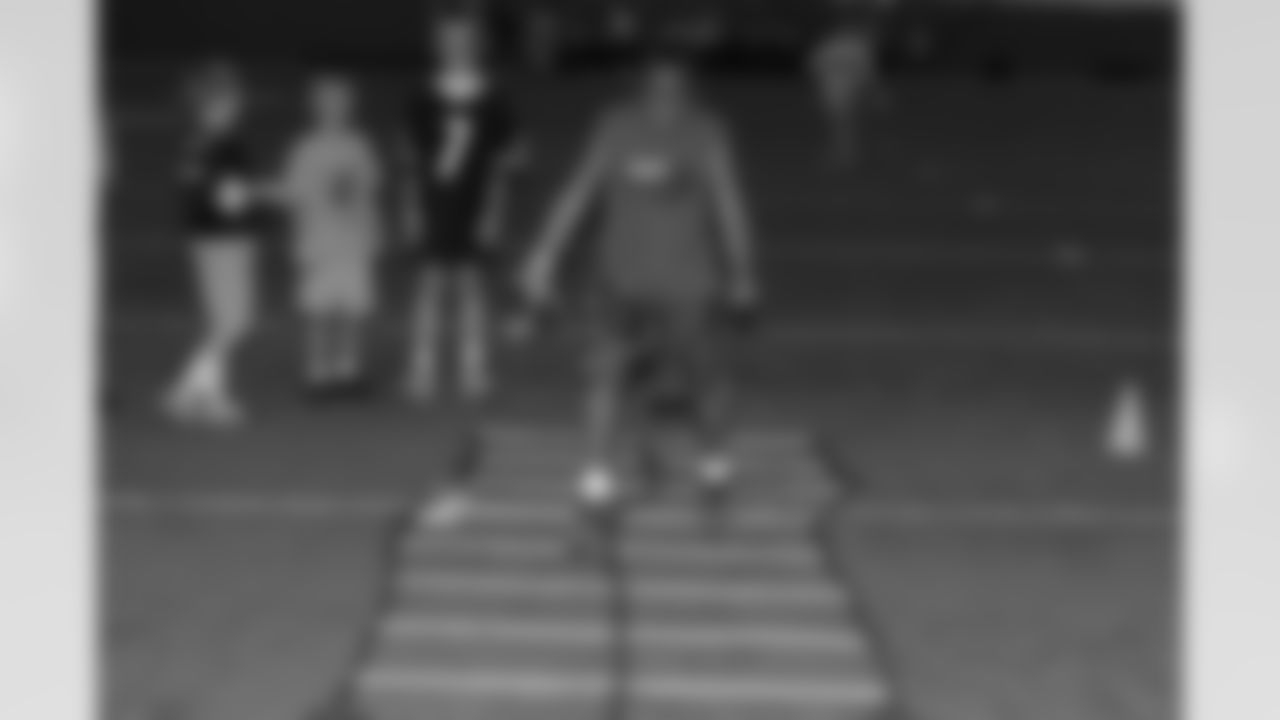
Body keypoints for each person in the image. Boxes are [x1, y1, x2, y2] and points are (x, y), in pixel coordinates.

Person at [519, 47, 759, 529]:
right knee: (603, 375)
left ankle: (714, 464)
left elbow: (728, 199)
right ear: (642, 88)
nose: (665, 98)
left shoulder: (705, 131)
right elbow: (580, 188)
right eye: (656, 87)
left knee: (704, 383)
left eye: (675, 88)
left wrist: (742, 270)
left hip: (687, 283)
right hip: (618, 278)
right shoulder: (616, 126)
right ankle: (596, 482)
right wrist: (544, 253)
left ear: (689, 90)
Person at [401, 14, 525, 528]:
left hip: (474, 206)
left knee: (473, 287)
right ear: (436, 46)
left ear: (476, 46)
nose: (454, 48)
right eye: (446, 41)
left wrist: (497, 203)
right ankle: (423, 365)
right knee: (430, 285)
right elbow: (410, 159)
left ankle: (474, 365)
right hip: (435, 204)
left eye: (463, 41)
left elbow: (509, 157)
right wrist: (410, 205)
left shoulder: (493, 99)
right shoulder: (421, 98)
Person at [162, 61, 263, 427]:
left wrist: (241, 198)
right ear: (208, 106)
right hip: (222, 241)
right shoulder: (222, 146)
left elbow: (201, 190)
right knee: (232, 322)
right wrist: (257, 196)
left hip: (217, 239)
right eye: (226, 101)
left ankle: (194, 392)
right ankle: (197, 393)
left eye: (233, 100)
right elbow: (229, 197)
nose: (234, 107)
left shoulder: (202, 145)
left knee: (232, 321)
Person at [272, 73, 383, 396]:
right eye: (326, 103)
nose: (334, 109)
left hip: (352, 243)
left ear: (350, 107)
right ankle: (317, 372)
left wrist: (373, 232)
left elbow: (370, 188)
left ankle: (348, 369)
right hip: (318, 243)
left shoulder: (360, 145)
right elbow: (292, 191)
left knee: (351, 310)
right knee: (318, 311)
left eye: (340, 103)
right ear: (314, 108)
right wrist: (261, 193)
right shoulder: (305, 148)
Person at [809, 15, 877, 166]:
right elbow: (866, 71)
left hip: (831, 88)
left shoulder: (828, 44)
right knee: (845, 124)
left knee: (841, 123)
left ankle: (845, 154)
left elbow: (814, 66)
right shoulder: (857, 45)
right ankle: (846, 154)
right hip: (846, 88)